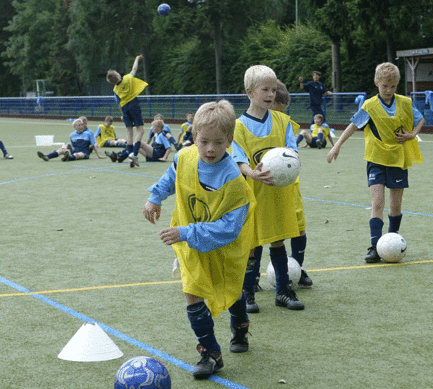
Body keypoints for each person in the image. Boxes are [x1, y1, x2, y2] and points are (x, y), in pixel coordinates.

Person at [142, 100, 256, 379]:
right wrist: (155, 197)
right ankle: (211, 353)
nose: (210, 149)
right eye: (204, 141)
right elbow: (172, 177)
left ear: (230, 140)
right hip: (190, 243)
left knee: (230, 290)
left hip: (225, 248)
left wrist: (184, 232)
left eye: (218, 142)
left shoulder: (235, 181)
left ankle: (240, 325)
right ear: (194, 137)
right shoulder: (185, 156)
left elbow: (228, 230)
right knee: (191, 290)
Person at [326, 62, 424, 263]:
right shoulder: (370, 105)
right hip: (376, 159)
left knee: (395, 207)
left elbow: (420, 118)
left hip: (398, 159)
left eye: (393, 86)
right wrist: (337, 145)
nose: (388, 90)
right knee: (377, 203)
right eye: (384, 86)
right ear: (376, 83)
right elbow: (353, 126)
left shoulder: (405, 102)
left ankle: (392, 242)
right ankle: (375, 246)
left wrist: (412, 134)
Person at [232, 65, 305, 311]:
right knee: (252, 245)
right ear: (249, 92)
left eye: (273, 89)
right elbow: (238, 158)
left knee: (277, 241)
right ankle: (248, 293)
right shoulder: (238, 126)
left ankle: (283, 291)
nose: (271, 94)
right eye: (265, 89)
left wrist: (293, 161)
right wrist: (251, 172)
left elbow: (291, 149)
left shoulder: (283, 121)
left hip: (278, 192)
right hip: (253, 194)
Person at [106, 54, 148, 166]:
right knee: (140, 130)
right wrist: (137, 58)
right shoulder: (128, 78)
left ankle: (130, 157)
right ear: (118, 75)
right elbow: (134, 69)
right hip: (133, 105)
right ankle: (134, 154)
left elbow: (118, 103)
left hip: (124, 109)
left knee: (129, 132)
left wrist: (122, 115)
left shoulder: (115, 90)